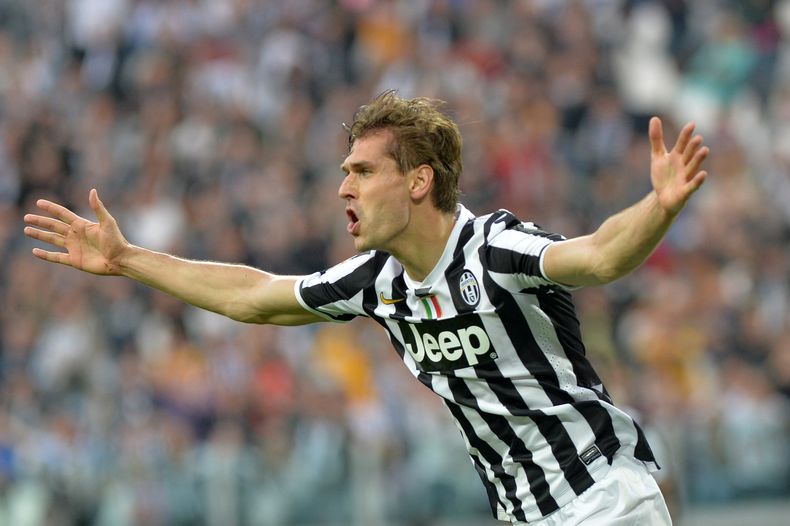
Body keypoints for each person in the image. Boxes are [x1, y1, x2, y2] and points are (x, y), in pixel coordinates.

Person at [23, 91, 708, 525]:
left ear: (418, 181)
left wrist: (659, 207)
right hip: (526, 513)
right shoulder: (377, 281)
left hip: (603, 501)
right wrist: (129, 259)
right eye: (344, 170)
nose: (343, 185)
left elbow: (600, 256)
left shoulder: (493, 248)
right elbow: (257, 298)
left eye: (362, 171)